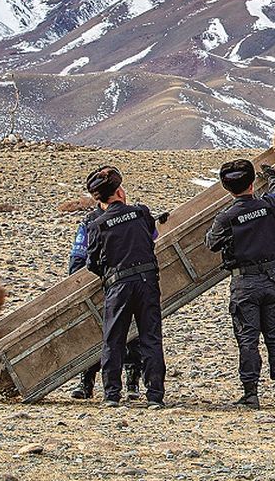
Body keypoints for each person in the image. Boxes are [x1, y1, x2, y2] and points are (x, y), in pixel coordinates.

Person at [205, 159, 275, 410]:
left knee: (247, 338)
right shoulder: (268, 205)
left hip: (244, 282)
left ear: (226, 187)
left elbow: (211, 243)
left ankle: (251, 393)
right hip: (273, 277)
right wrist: (273, 176)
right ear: (253, 182)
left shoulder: (227, 217)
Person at [85, 165, 168, 408]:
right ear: (120, 192)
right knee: (150, 337)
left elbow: (92, 262)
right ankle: (155, 395)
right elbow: (152, 236)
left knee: (113, 339)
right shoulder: (141, 213)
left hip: (118, 284)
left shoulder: (97, 225)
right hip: (147, 282)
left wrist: (109, 276)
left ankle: (112, 394)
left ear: (99, 200)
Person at [67, 205, 144, 401]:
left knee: (130, 332)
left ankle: (132, 380)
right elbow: (79, 256)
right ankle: (87, 381)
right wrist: (80, 283)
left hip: (123, 280)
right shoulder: (91, 221)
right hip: (101, 282)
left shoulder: (129, 215)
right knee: (93, 332)